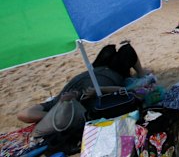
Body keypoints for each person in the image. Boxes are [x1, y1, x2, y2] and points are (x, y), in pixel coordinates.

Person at [17, 42, 147, 124]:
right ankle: (141, 73)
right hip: (116, 72)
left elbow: (23, 114)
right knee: (127, 49)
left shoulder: (57, 102)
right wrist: (64, 117)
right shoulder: (85, 108)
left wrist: (56, 111)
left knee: (109, 48)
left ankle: (137, 69)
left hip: (95, 68)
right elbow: (122, 91)